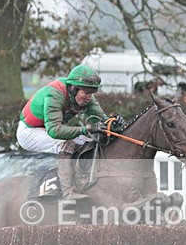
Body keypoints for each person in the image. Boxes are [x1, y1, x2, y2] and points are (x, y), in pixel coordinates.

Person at [17, 64, 117, 200]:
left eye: (91, 93)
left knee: (89, 143)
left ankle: (87, 182)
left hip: (46, 129)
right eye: (86, 92)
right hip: (29, 132)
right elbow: (55, 131)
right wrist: (86, 129)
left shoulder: (85, 97)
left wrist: (115, 125)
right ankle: (67, 192)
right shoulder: (55, 94)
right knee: (66, 144)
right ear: (73, 88)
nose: (89, 97)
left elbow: (103, 120)